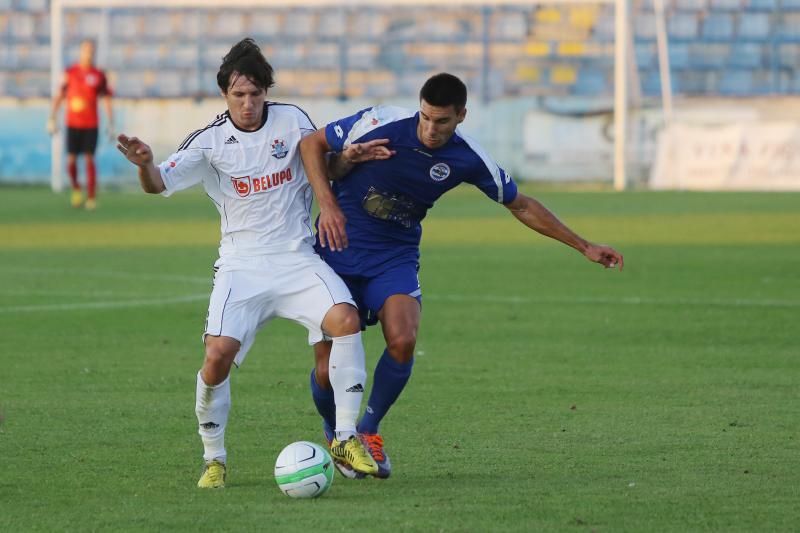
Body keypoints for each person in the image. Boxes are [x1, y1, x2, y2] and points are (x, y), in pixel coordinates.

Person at [300, 72, 624, 479]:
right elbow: (311, 144)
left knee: (403, 340)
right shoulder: (379, 121)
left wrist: (584, 245)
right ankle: (336, 435)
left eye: (442, 122)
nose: (431, 130)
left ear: (462, 117)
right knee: (326, 368)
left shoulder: (468, 158)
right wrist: (328, 205)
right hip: (338, 251)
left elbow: (520, 204)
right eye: (425, 118)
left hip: (394, 258)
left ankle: (367, 431)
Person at [115, 38, 389, 488]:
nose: (247, 103)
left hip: (297, 258)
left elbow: (326, 167)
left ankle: (344, 437)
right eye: (238, 95)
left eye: (255, 93)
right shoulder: (209, 142)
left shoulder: (294, 121)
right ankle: (214, 458)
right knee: (217, 356)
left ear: (267, 92)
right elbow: (157, 183)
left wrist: (346, 159)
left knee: (346, 319)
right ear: (225, 94)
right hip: (241, 265)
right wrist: (145, 164)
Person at [47, 39, 113, 211]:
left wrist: (111, 122)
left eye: (92, 50)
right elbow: (60, 95)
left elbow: (106, 98)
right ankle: (76, 188)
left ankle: (91, 197)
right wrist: (52, 117)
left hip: (91, 124)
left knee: (90, 158)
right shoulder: (70, 72)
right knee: (71, 160)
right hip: (73, 123)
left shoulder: (99, 75)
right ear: (81, 51)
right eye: (86, 50)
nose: (89, 53)